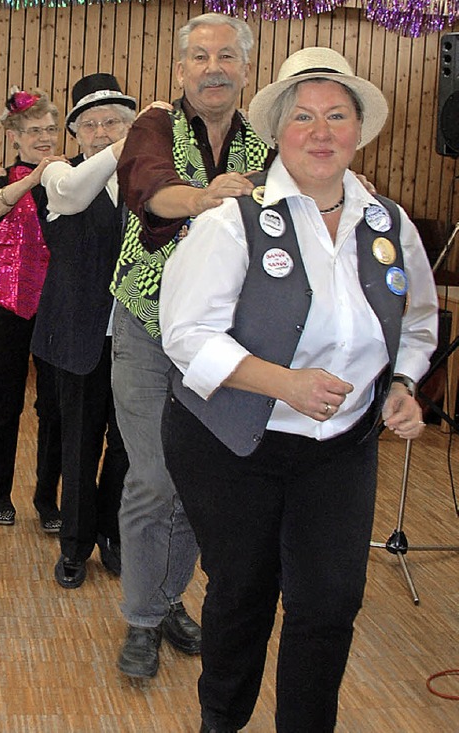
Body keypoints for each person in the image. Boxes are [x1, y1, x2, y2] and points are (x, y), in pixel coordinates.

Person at [159, 47, 438, 733]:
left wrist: (402, 382)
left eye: (337, 116)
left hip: (339, 448)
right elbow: (186, 332)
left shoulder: (389, 224)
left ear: (357, 130)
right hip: (231, 441)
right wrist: (283, 381)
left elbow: (419, 320)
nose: (321, 132)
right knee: (243, 595)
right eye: (305, 116)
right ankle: (220, 721)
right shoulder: (236, 216)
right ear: (280, 129)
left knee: (328, 602)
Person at [111, 13, 271, 679]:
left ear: (243, 69)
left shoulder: (262, 144)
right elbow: (148, 188)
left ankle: (167, 597)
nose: (214, 67)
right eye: (200, 56)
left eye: (226, 56)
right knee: (153, 476)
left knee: (195, 481)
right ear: (180, 71)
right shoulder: (153, 126)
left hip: (216, 340)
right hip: (147, 326)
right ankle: (142, 621)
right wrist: (204, 198)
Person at [32, 73, 134, 589]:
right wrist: (120, 149)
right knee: (78, 443)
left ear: (132, 125)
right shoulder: (57, 175)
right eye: (89, 125)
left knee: (128, 447)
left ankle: (112, 533)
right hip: (77, 334)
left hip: (138, 340)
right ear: (75, 134)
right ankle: (74, 545)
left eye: (113, 122)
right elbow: (72, 202)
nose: (101, 132)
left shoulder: (151, 178)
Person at [0, 88, 62, 527]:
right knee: (2, 402)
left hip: (55, 306)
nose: (44, 138)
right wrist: (32, 178)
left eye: (50, 129)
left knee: (53, 407)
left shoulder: (71, 177)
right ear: (15, 137)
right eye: (34, 131)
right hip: (4, 304)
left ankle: (48, 501)